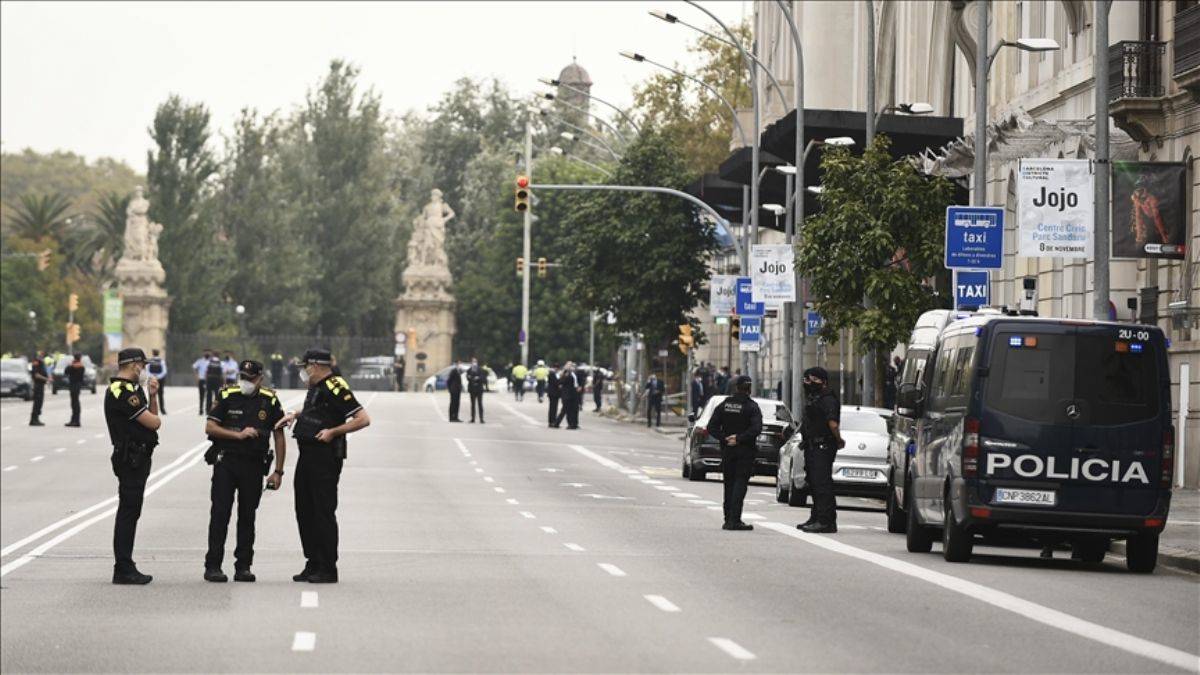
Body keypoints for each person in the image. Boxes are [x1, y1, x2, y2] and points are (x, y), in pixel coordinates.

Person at [281, 348, 370, 583]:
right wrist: (295, 415)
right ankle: (313, 562)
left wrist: (333, 432)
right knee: (304, 509)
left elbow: (363, 419)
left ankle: (328, 567)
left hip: (324, 457)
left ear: (316, 366)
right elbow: (317, 409)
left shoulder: (335, 386)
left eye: (305, 367)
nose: (302, 371)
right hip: (307, 453)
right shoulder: (316, 386)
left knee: (322, 511)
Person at [203, 360, 286, 583]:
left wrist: (278, 471)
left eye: (250, 378)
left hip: (254, 465)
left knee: (247, 517)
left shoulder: (269, 399)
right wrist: (238, 435)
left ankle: (243, 566)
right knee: (220, 514)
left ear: (260, 378)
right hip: (226, 462)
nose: (245, 382)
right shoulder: (227, 394)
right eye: (243, 377)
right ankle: (213, 565)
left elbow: (279, 434)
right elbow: (210, 427)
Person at [104, 348, 161, 584]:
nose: (145, 370)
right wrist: (153, 414)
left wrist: (154, 395)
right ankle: (124, 567)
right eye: (143, 365)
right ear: (134, 365)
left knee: (132, 510)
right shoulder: (123, 391)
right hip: (131, 458)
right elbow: (154, 422)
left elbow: (152, 419)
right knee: (128, 512)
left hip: (138, 456)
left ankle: (125, 564)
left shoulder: (134, 389)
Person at [705, 375, 761, 531]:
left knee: (729, 484)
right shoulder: (752, 407)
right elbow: (756, 429)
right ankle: (734, 520)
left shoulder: (725, 405)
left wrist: (725, 438)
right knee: (740, 484)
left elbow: (711, 427)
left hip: (728, 450)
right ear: (749, 388)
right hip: (745, 451)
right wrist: (740, 438)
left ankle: (727, 518)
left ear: (736, 387)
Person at [798, 367, 843, 534]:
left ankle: (825, 521)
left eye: (812, 380)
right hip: (812, 446)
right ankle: (816, 516)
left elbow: (833, 424)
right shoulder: (815, 397)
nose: (808, 383)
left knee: (822, 484)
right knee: (814, 483)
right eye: (807, 380)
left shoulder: (828, 399)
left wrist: (838, 440)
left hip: (822, 446)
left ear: (822, 381)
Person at [555, 362, 581, 429]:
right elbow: (560, 382)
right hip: (567, 394)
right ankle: (559, 423)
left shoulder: (573, 374)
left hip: (573, 393)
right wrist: (564, 374)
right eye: (569, 365)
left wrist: (578, 387)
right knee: (566, 410)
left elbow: (576, 382)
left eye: (572, 365)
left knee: (573, 409)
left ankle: (573, 424)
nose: (571, 367)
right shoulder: (565, 374)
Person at [28, 350, 48, 426]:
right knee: (37, 403)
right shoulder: (36, 362)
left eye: (43, 353)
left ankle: (36, 418)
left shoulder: (41, 361)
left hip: (41, 385)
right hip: (38, 385)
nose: (42, 354)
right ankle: (33, 419)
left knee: (39, 403)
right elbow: (36, 375)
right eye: (40, 353)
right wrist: (46, 379)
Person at [64, 353, 85, 427]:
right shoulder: (81, 366)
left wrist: (71, 365)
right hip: (76, 386)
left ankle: (76, 421)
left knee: (75, 404)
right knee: (75, 403)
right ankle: (74, 420)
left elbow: (66, 371)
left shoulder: (76, 366)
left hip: (74, 386)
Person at [147, 349, 167, 414]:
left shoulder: (150, 361)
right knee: (161, 395)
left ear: (153, 353)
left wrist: (153, 377)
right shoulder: (162, 361)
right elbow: (164, 371)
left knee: (151, 394)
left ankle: (150, 410)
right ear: (158, 353)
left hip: (151, 379)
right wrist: (158, 377)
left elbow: (147, 370)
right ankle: (162, 410)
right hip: (160, 380)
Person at [466, 357, 486, 424]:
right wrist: (470, 377)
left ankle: (481, 418)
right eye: (473, 362)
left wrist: (478, 378)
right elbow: (468, 378)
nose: (474, 363)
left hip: (479, 389)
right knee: (472, 404)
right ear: (471, 363)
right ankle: (473, 418)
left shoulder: (480, 369)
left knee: (480, 404)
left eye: (475, 361)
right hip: (472, 389)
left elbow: (483, 378)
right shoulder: (469, 370)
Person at [193, 350, 212, 415]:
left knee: (209, 395)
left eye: (208, 352)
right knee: (201, 395)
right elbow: (194, 367)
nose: (207, 353)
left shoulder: (211, 361)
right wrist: (196, 376)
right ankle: (201, 409)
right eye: (205, 352)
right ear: (203, 353)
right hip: (202, 380)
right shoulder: (200, 361)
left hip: (209, 380)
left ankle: (208, 410)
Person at [546, 364, 561, 428]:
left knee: (555, 408)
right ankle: (551, 421)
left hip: (556, 393)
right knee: (552, 408)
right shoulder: (552, 374)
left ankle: (553, 421)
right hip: (553, 393)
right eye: (556, 368)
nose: (557, 370)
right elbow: (555, 382)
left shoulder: (555, 374)